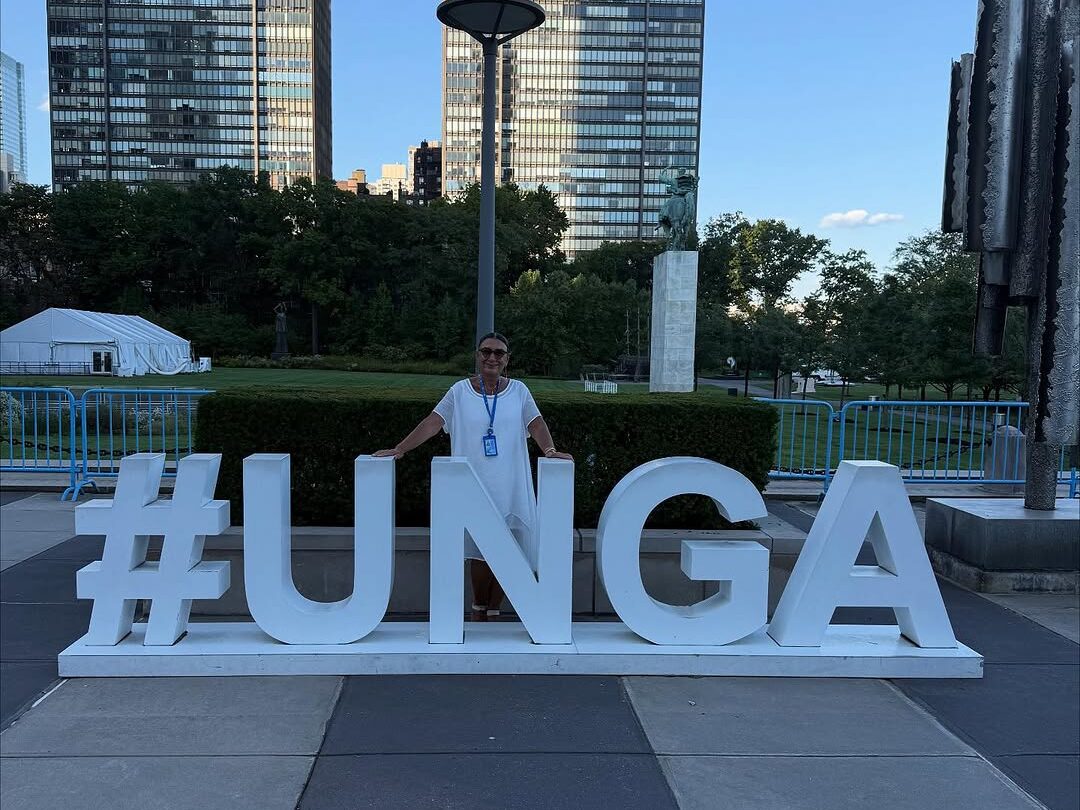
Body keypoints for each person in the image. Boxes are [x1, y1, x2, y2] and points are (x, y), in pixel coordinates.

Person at [374, 332, 573, 621]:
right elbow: (433, 422)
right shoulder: (459, 391)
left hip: (510, 485)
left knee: (511, 550)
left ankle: (494, 610)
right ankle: (479, 606)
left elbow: (536, 423)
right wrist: (400, 448)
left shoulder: (519, 391)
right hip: (474, 484)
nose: (492, 357)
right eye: (486, 351)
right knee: (480, 552)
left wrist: (550, 450)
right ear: (478, 356)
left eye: (499, 353)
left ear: (507, 359)